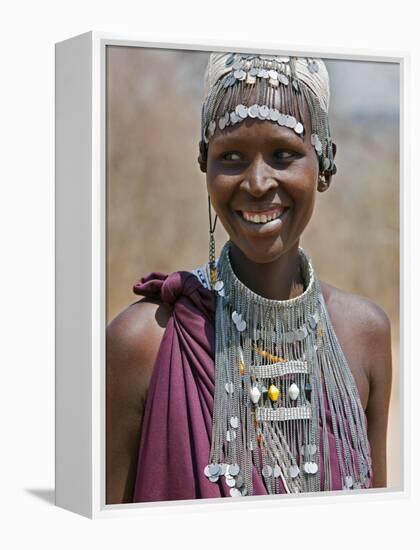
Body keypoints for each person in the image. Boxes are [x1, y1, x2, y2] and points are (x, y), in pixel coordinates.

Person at [106, 52, 392, 504]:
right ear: (205, 164)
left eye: (283, 155)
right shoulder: (143, 343)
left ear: (325, 164)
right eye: (232, 157)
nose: (258, 182)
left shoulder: (364, 335)